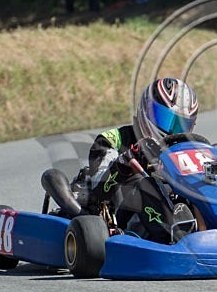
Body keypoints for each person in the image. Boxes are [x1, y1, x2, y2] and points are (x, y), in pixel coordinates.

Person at [75, 78, 199, 242]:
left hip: (172, 210)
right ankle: (175, 236)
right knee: (147, 185)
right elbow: (99, 188)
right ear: (147, 110)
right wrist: (124, 165)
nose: (172, 131)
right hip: (124, 214)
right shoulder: (114, 140)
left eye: (180, 125)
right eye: (166, 119)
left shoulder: (182, 149)